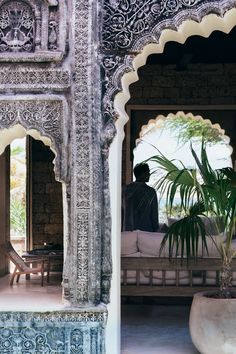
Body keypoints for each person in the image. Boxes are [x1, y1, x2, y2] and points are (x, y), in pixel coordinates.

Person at [122, 163, 159, 232]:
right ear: (142, 174)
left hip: (128, 232)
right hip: (146, 232)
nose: (149, 174)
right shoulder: (151, 192)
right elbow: (154, 216)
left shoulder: (125, 190)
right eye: (148, 172)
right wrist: (155, 232)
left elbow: (121, 212)